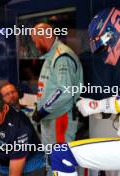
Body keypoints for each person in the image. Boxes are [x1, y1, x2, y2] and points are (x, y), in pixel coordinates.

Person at [49, 7, 120, 176]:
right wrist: (104, 112)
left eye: (104, 46)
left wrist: (98, 105)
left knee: (61, 154)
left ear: (115, 32)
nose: (106, 55)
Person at [30, 23, 83, 175]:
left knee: (61, 165)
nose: (35, 44)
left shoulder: (62, 57)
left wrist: (42, 111)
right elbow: (47, 89)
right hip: (51, 119)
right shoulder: (51, 56)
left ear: (43, 37)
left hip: (61, 119)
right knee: (51, 162)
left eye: (35, 41)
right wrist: (39, 110)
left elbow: (63, 92)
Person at [0, 89, 45, 176]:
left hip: (31, 164)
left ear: (5, 109)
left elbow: (15, 171)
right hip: (4, 162)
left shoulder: (21, 126)